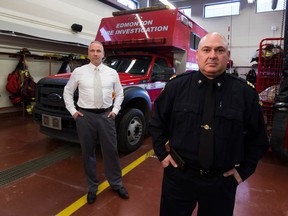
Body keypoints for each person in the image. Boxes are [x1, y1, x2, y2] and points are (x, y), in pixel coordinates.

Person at [149, 32, 269, 216]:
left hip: (221, 183)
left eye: (219, 50)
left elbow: (258, 138)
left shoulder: (245, 94)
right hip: (179, 177)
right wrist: (161, 153)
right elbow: (157, 123)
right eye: (207, 50)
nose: (212, 55)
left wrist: (243, 171)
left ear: (227, 56)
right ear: (197, 55)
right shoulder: (176, 88)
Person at [63, 41, 129, 204]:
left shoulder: (112, 72)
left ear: (103, 54)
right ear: (88, 53)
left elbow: (120, 94)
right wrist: (73, 111)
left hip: (106, 116)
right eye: (92, 51)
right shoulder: (79, 72)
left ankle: (116, 184)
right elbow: (67, 91)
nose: (95, 54)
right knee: (88, 153)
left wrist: (115, 110)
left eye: (98, 51)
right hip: (85, 117)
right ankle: (92, 187)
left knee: (111, 151)